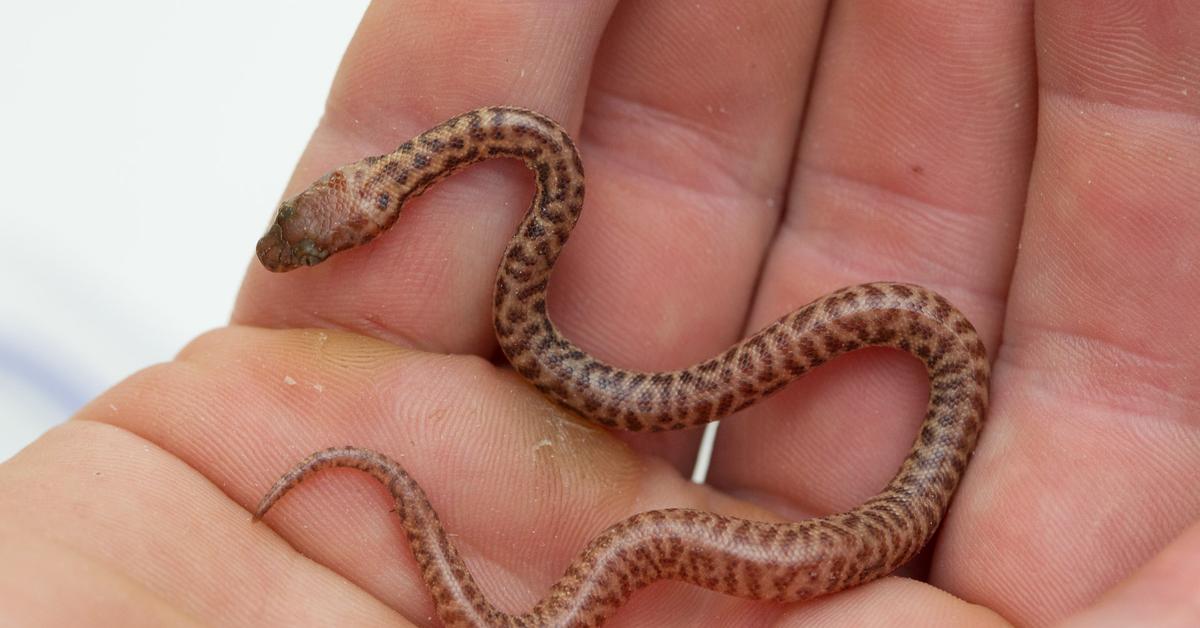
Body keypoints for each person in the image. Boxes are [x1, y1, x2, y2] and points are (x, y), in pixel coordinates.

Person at [2, 2, 1196, 625]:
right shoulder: (499, 175)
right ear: (360, 213)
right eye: (309, 238)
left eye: (311, 236)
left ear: (363, 213)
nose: (306, 249)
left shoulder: (524, 165)